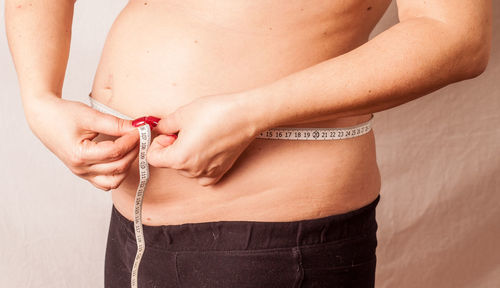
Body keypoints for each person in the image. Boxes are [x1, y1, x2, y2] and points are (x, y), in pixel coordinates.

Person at [5, 0, 491, 287]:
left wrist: (251, 113)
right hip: (131, 227)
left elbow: (455, 36)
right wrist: (38, 96)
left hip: (270, 239)